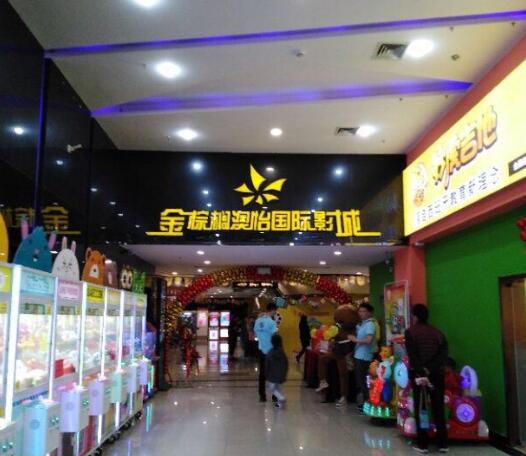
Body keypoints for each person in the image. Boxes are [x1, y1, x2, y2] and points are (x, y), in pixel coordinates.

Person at [405, 304, 449, 454]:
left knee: (422, 409)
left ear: (415, 316)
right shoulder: (438, 333)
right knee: (438, 408)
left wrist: (422, 370)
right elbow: (443, 355)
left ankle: (423, 444)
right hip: (437, 375)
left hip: (419, 376)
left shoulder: (411, 332)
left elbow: (412, 355)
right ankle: (443, 443)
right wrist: (430, 369)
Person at [315, 304, 358, 407]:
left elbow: (350, 341)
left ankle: (344, 396)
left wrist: (338, 340)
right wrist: (333, 340)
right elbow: (335, 337)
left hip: (345, 354)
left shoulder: (353, 329)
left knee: (343, 375)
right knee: (323, 359)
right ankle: (323, 381)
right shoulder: (341, 328)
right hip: (337, 352)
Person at [349, 303, 377, 412]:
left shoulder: (370, 324)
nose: (361, 313)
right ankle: (364, 403)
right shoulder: (362, 324)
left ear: (369, 313)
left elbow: (369, 340)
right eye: (360, 311)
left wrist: (355, 340)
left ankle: (367, 405)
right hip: (358, 355)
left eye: (364, 311)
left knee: (363, 381)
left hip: (364, 357)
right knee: (360, 381)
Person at [254, 303, 278, 402]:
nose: (275, 313)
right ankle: (274, 396)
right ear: (272, 310)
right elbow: (275, 337)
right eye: (275, 311)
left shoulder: (258, 321)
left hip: (261, 350)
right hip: (271, 350)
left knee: (262, 374)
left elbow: (255, 333)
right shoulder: (272, 323)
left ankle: (262, 396)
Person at [266, 333, 289, 408]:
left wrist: (266, 373)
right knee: (279, 389)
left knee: (272, 389)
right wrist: (285, 373)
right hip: (281, 374)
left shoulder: (270, 352)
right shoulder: (282, 352)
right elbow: (286, 363)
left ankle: (281, 398)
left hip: (272, 374)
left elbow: (267, 364)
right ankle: (280, 404)